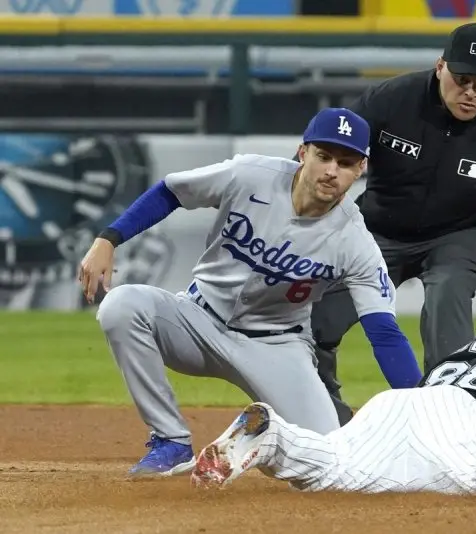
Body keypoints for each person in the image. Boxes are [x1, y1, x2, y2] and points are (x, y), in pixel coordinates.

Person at [78, 108, 422, 478]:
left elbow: (383, 332)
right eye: (323, 156)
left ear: (361, 170)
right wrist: (108, 239)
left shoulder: (355, 242)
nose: (331, 171)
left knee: (326, 465)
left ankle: (261, 438)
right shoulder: (250, 175)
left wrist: (423, 403)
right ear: (303, 153)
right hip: (197, 321)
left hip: (276, 347)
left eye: (345, 162)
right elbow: (171, 191)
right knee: (122, 306)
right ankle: (170, 441)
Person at [189, 292, 476, 503]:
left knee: (333, 464)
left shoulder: (451, 358)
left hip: (398, 403)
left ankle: (272, 437)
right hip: (460, 424)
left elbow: (418, 419)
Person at [309, 21, 476, 425]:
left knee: (448, 293)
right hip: (379, 229)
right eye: (462, 78)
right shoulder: (391, 100)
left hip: (459, 235)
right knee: (319, 315)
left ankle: (447, 417)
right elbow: (331, 161)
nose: (470, 92)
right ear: (440, 67)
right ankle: (323, 410)